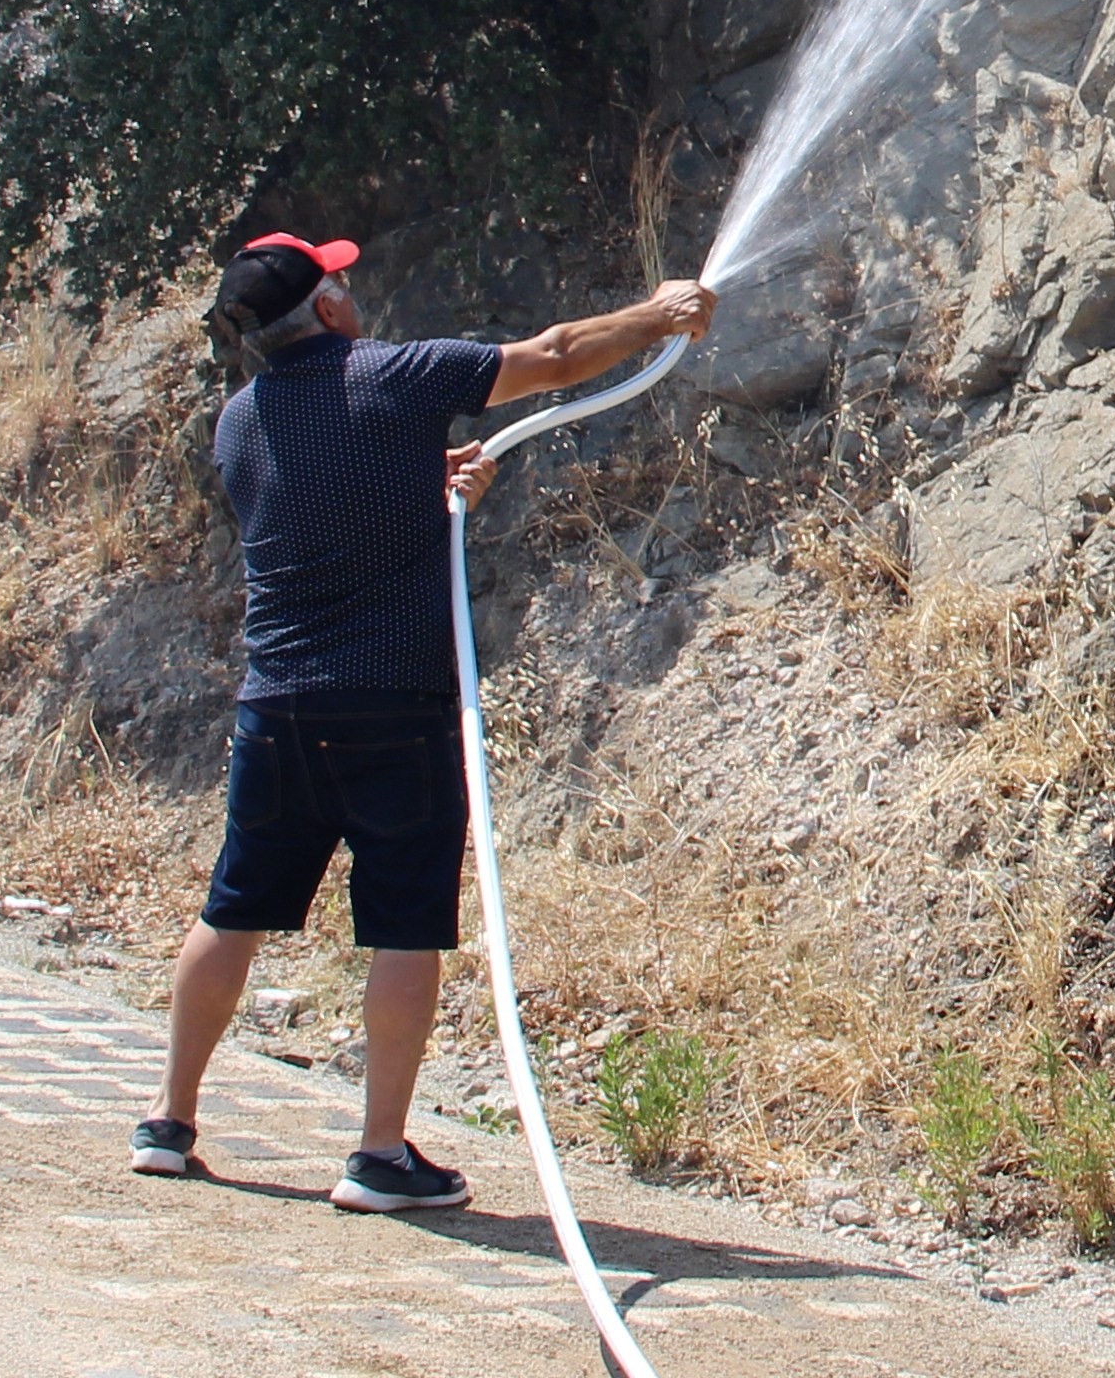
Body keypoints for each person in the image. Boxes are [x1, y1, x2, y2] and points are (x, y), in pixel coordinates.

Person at [133, 230, 716, 1211]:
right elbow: (559, 356)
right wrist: (659, 316)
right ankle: (378, 1155)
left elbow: (323, 503)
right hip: (392, 708)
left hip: (273, 708)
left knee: (232, 910)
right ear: (323, 309)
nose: (350, 288)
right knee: (403, 929)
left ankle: (167, 1122)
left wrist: (426, 482)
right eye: (338, 279)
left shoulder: (238, 422)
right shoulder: (395, 375)